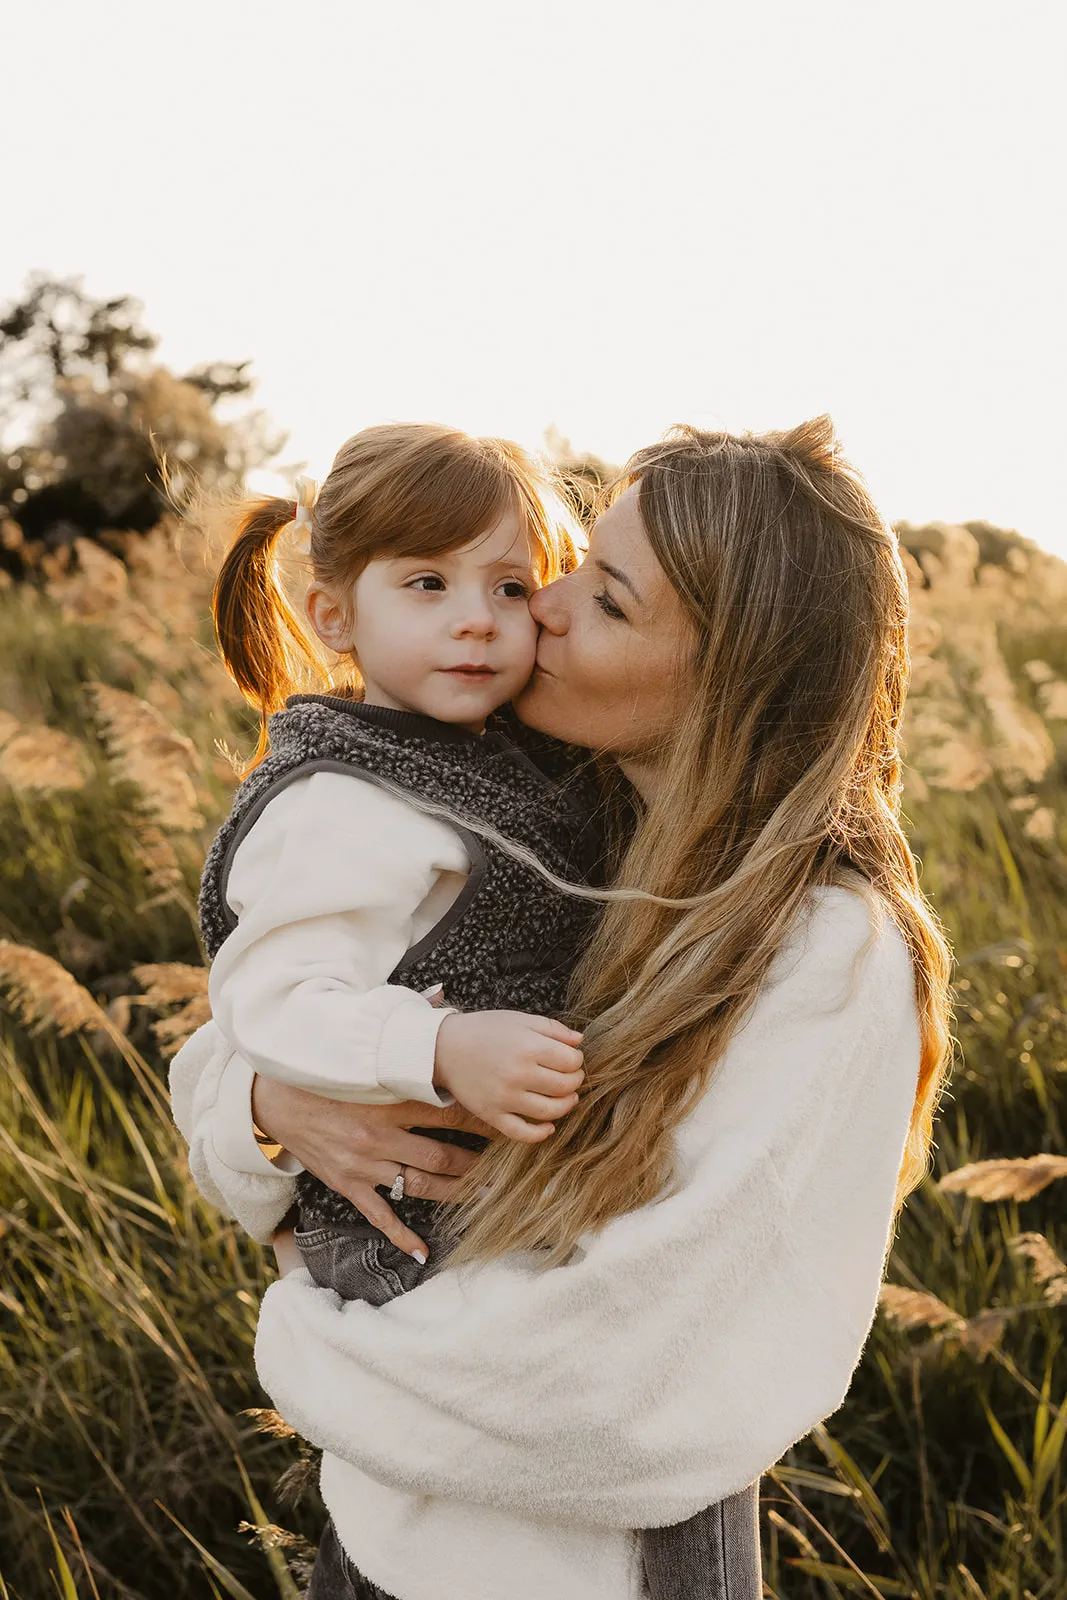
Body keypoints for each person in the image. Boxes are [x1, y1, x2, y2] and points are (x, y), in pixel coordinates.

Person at [172, 415, 953, 1600]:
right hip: (377, 1530)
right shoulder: (557, 817)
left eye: (605, 600)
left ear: (728, 674)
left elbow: (623, 1382)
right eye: (576, 564)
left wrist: (300, 1335)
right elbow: (232, 1034)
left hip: (574, 1568)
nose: (536, 605)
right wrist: (273, 1103)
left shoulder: (826, 950)